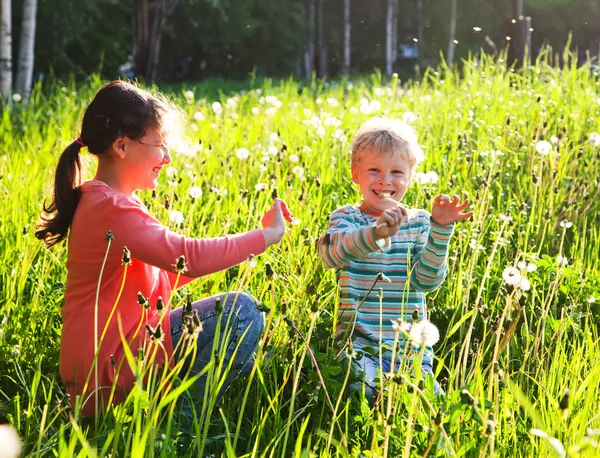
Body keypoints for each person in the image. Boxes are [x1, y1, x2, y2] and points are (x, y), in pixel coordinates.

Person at [35, 80, 292, 417]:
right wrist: (266, 236)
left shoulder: (102, 200)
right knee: (242, 313)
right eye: (158, 145)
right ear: (122, 146)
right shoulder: (111, 207)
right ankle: (179, 431)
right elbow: (189, 258)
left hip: (107, 365)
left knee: (256, 357)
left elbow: (158, 282)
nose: (167, 158)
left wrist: (250, 243)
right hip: (110, 370)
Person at [317, 117, 473, 399]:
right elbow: (330, 254)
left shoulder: (419, 223)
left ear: (411, 176)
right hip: (358, 346)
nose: (385, 180)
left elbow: (426, 281)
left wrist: (440, 229)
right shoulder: (348, 218)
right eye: (373, 170)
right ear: (355, 173)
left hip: (411, 351)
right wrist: (375, 233)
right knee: (368, 391)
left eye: (397, 172)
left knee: (432, 409)